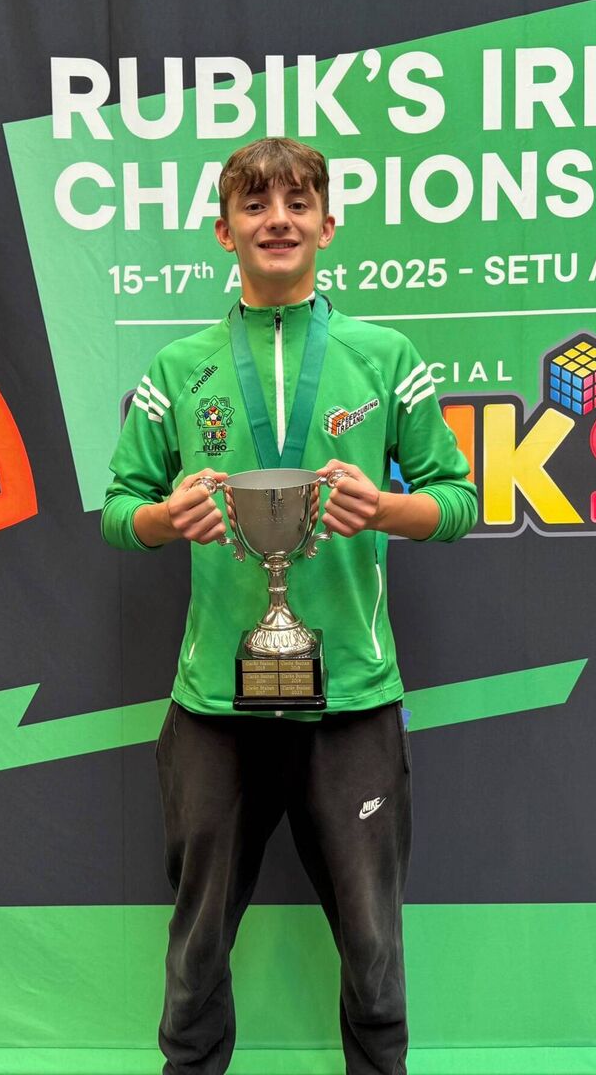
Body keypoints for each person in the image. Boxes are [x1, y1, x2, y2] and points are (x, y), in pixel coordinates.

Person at [101, 136, 477, 1075]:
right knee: (193, 955)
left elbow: (460, 499)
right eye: (257, 206)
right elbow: (116, 510)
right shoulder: (179, 366)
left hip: (350, 698)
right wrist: (161, 518)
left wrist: (387, 508)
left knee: (375, 952)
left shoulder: (385, 356)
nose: (279, 220)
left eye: (298, 203)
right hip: (215, 709)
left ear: (328, 225)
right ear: (223, 230)